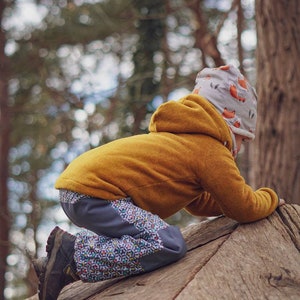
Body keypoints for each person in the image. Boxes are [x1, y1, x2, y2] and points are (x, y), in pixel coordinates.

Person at [34, 65, 285, 300]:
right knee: (167, 243)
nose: (239, 149)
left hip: (81, 190)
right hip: (97, 193)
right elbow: (243, 207)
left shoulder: (183, 141)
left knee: (145, 237)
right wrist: (269, 198)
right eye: (242, 139)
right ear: (231, 124)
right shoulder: (210, 149)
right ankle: (72, 256)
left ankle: (58, 261)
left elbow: (199, 203)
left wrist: (229, 200)